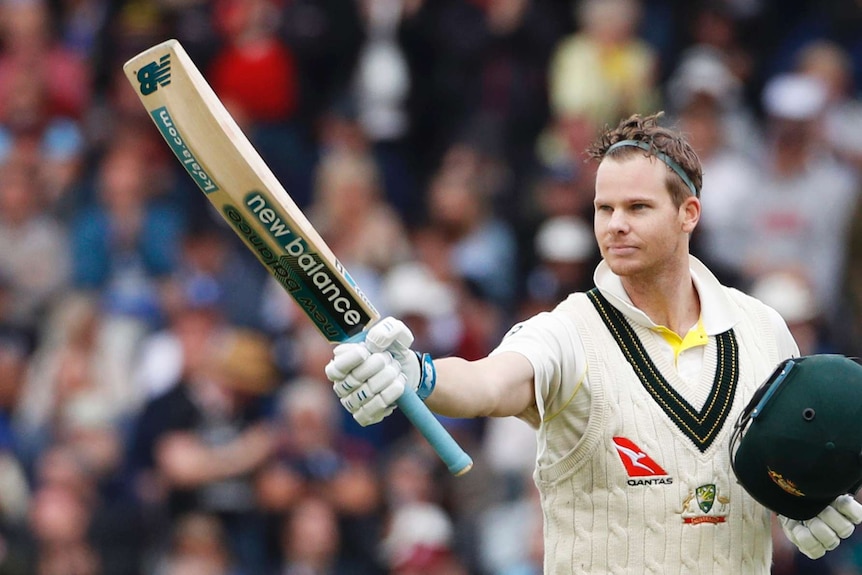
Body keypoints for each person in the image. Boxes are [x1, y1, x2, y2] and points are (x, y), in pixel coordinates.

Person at [324, 112, 862, 573]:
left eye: (638, 208)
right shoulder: (567, 328)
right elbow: (491, 382)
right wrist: (420, 375)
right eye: (605, 209)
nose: (616, 226)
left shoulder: (763, 329)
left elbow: (790, 460)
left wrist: (807, 498)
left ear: (688, 214)